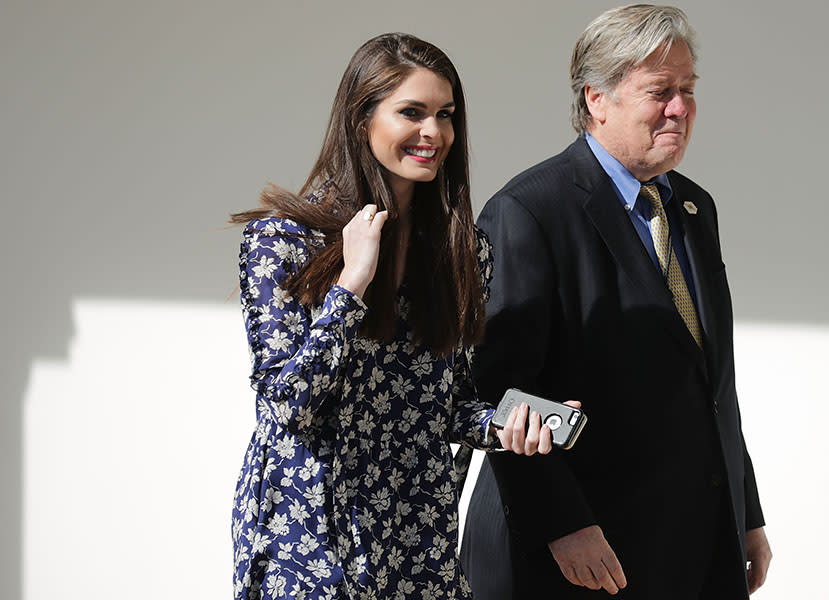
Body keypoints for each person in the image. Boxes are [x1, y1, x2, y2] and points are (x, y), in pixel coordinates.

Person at [229, 33, 569, 600]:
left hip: (417, 531)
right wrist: (351, 283)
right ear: (362, 121)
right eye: (411, 112)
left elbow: (444, 407)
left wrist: (515, 427)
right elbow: (287, 405)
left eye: (445, 115)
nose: (433, 133)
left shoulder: (463, 252)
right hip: (311, 527)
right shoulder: (284, 241)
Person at [461, 5, 771, 600]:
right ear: (596, 99)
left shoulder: (693, 209)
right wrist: (563, 523)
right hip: (573, 557)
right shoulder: (529, 212)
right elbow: (499, 393)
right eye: (660, 91)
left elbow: (710, 384)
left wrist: (744, 512)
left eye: (687, 90)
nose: (680, 107)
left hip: (688, 543)